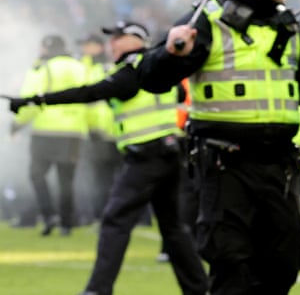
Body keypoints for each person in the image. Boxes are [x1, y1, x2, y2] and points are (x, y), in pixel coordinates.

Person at [136, 0, 300, 295]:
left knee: (284, 265)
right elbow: (149, 77)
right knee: (231, 264)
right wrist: (172, 54)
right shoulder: (208, 21)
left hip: (279, 170)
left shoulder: (292, 29)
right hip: (225, 168)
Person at [7, 21, 208, 295]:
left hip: (146, 156)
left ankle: (97, 290)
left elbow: (89, 93)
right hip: (167, 153)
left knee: (115, 220)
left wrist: (36, 100)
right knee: (173, 229)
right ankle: (199, 289)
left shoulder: (135, 69)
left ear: (137, 40)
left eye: (118, 37)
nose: (111, 43)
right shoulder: (157, 66)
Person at [12, 34, 88, 236]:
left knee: (37, 175)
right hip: (74, 131)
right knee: (66, 180)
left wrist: (17, 124)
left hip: (46, 130)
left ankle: (49, 214)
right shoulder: (80, 66)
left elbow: (31, 99)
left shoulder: (44, 67)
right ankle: (66, 223)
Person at [78, 33, 121, 224]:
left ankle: (110, 214)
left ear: (97, 46)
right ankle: (100, 214)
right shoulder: (84, 66)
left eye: (87, 44)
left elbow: (103, 102)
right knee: (99, 177)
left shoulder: (105, 67)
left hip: (107, 131)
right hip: (93, 131)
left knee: (108, 176)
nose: (83, 49)